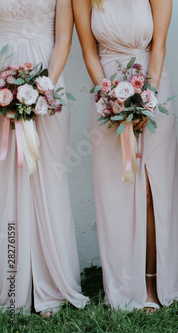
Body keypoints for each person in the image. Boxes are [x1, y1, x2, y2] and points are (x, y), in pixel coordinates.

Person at [73, 0, 178, 312]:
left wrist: (146, 99)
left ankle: (153, 284)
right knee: (116, 192)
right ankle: (123, 285)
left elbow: (159, 45)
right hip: (107, 97)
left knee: (153, 190)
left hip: (153, 89)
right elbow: (89, 52)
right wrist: (110, 96)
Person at [0, 0, 89, 316]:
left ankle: (51, 284)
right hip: (2, 80)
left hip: (48, 84)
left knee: (48, 177)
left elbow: (64, 38)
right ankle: (11, 283)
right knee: (7, 182)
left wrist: (43, 88)